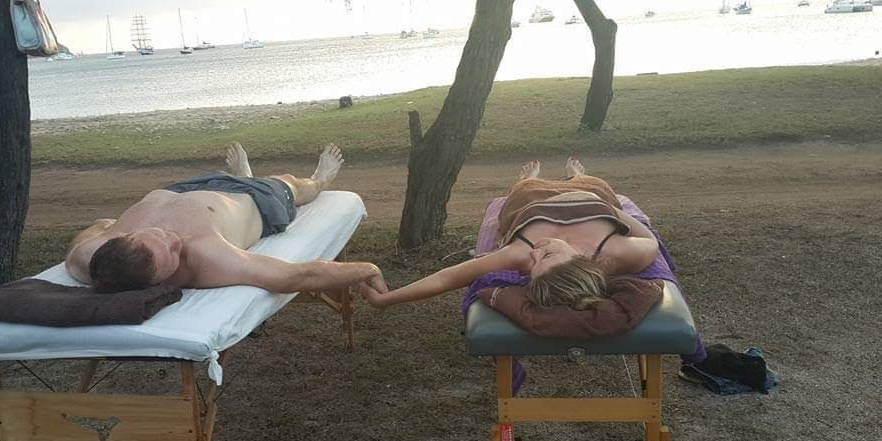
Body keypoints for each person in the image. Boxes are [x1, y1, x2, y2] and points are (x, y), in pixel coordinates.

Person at [65, 143, 386, 294]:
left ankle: (242, 174)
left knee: (229, 181)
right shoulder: (206, 257)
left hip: (186, 189)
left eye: (160, 237)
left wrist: (108, 224)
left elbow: (94, 230)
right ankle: (321, 179)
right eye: (175, 255)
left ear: (124, 239)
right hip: (256, 200)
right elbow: (296, 277)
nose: (175, 240)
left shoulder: (88, 257)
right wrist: (366, 269)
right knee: (291, 183)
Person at [360, 157, 659, 309]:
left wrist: (386, 300)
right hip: (588, 195)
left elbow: (448, 277)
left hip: (532, 201)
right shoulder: (618, 251)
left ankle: (531, 179)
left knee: (521, 190)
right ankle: (576, 176)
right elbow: (650, 240)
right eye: (548, 254)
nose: (536, 250)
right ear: (582, 260)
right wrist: (609, 210)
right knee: (593, 183)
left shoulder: (521, 254)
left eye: (535, 262)